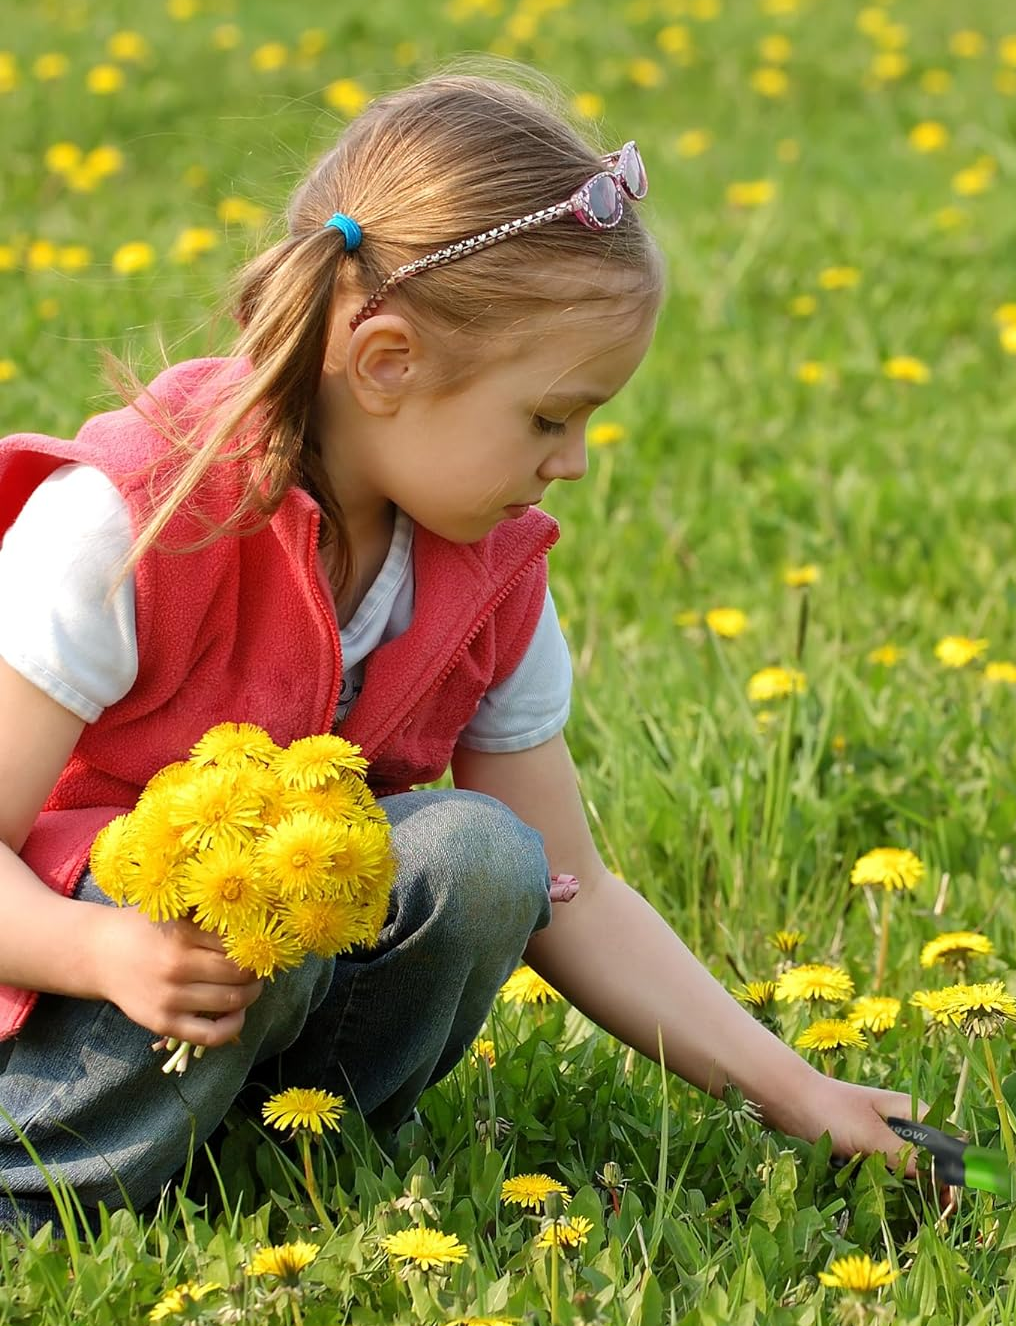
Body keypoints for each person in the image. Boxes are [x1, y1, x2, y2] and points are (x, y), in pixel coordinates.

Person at [0, 65, 946, 1237]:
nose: (575, 462)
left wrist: (800, 1095)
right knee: (267, 904)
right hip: (56, 986)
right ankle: (36, 1199)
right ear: (387, 363)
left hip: (230, 1003)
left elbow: (572, 891)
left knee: (483, 852)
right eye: (550, 418)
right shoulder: (132, 523)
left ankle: (289, 1165)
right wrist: (99, 948)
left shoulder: (486, 566)